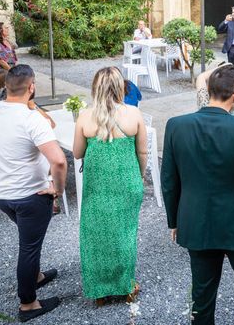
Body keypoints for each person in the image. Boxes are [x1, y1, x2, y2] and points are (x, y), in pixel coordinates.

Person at [161, 65, 234, 325]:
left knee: (202, 293)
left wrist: (174, 221)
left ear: (209, 90)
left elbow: (169, 180)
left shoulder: (177, 126)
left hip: (197, 222)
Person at [0, 64, 67, 322]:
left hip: (2, 195)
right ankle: (28, 304)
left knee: (29, 241)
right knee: (28, 247)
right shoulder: (31, 119)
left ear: (6, 86)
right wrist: (56, 189)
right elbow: (59, 161)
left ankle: (35, 276)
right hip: (31, 196)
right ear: (32, 87)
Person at [73, 67, 147, 305]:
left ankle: (100, 291)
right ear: (120, 87)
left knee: (95, 236)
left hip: (97, 186)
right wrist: (140, 176)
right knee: (125, 235)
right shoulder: (134, 114)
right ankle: (125, 286)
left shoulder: (85, 116)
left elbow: (76, 153)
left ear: (95, 87)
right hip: (127, 183)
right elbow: (143, 152)